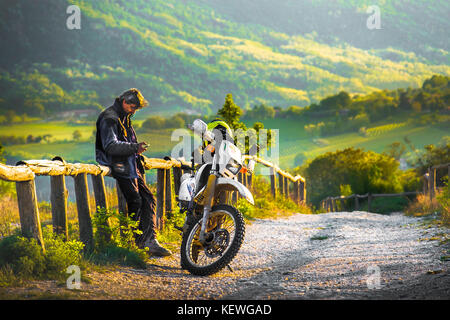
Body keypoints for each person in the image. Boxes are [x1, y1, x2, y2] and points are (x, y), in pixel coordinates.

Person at [95, 88, 172, 257]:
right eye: (132, 107)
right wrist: (134, 148)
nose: (134, 111)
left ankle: (150, 241)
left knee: (147, 199)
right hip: (118, 164)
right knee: (136, 201)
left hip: (129, 163)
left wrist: (136, 152)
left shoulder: (124, 116)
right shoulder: (110, 118)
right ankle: (139, 242)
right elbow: (110, 145)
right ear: (124, 102)